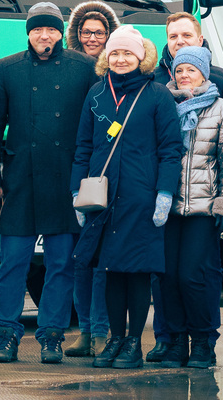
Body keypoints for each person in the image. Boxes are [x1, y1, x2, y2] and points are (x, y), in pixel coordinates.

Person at [0, 3, 96, 364]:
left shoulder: (83, 68)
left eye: (51, 30)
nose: (44, 36)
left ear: (62, 32)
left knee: (61, 264)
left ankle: (51, 336)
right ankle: (6, 334)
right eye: (37, 30)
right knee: (12, 262)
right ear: (28, 33)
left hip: (66, 180)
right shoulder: (8, 68)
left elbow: (93, 127)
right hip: (20, 179)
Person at [72, 26, 186, 368]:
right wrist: (77, 189)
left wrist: (165, 192)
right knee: (108, 270)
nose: (121, 59)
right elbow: (83, 146)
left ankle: (134, 342)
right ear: (106, 58)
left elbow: (171, 150)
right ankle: (115, 340)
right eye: (115, 53)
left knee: (137, 272)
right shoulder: (96, 94)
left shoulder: (157, 95)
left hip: (142, 197)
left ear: (142, 57)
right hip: (103, 199)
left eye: (128, 54)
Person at [158, 45, 223, 367]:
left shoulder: (220, 108)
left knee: (194, 276)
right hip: (168, 207)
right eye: (179, 70)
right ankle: (177, 340)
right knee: (167, 277)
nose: (184, 76)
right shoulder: (164, 104)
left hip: (204, 209)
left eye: (191, 70)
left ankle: (203, 340)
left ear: (204, 73)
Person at [64, 0, 116, 356]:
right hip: (80, 176)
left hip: (112, 179)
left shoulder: (118, 79)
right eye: (86, 32)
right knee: (80, 259)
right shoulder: (67, 69)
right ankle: (86, 329)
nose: (92, 38)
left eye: (100, 32)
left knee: (101, 260)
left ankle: (100, 330)